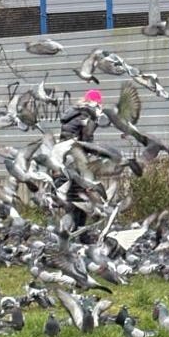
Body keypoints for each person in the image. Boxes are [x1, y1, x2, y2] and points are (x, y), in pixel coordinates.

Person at [58, 89, 104, 234]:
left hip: (64, 161)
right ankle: (79, 234)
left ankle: (69, 232)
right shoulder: (87, 115)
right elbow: (87, 141)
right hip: (76, 162)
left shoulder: (73, 113)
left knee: (73, 196)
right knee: (82, 197)